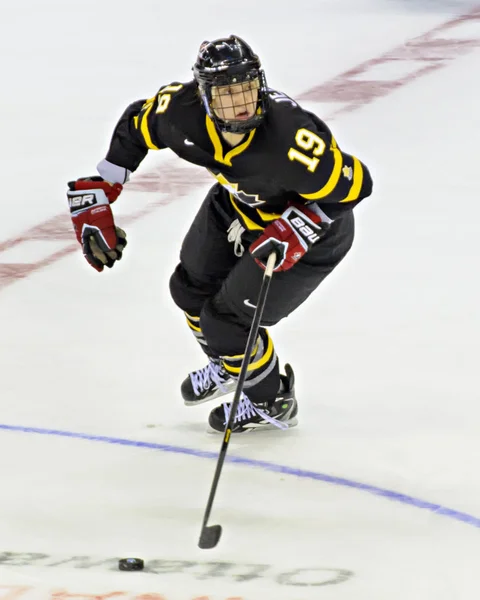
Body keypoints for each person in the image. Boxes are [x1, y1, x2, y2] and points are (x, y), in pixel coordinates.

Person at [67, 35, 373, 434]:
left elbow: (355, 186)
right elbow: (137, 124)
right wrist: (104, 187)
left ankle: (273, 400)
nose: (242, 103)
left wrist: (298, 225)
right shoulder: (181, 112)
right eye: (227, 94)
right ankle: (235, 366)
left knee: (227, 322)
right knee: (188, 290)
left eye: (247, 88)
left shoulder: (289, 141)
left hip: (316, 230)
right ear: (204, 95)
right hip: (239, 204)